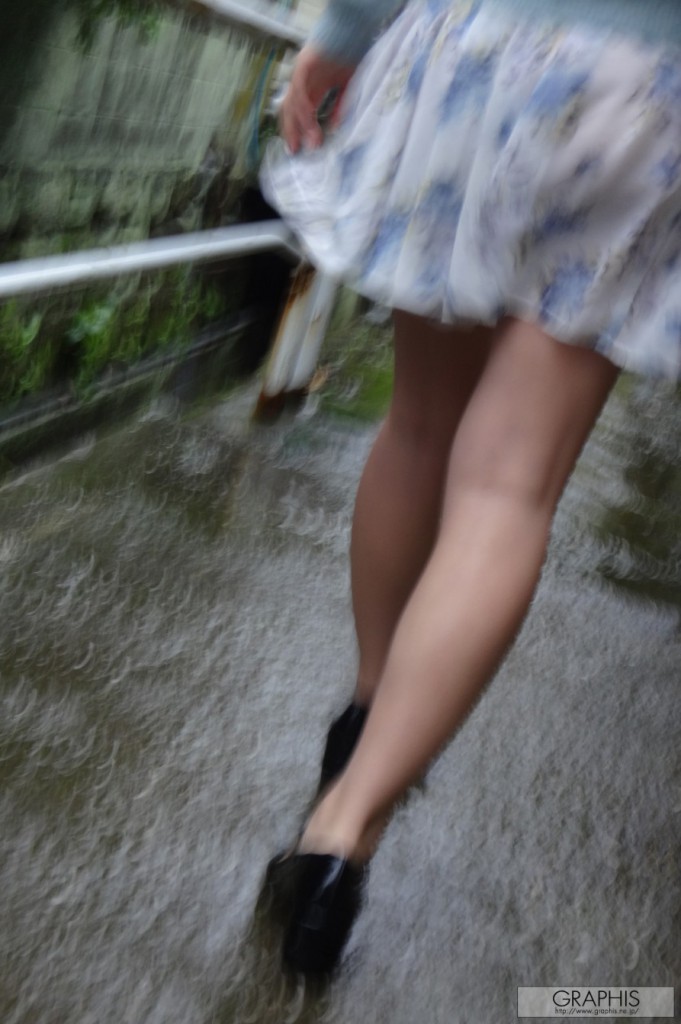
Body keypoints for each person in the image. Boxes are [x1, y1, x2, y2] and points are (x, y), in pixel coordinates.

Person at [259, 0, 681, 977]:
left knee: (418, 429)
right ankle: (343, 834)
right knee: (508, 488)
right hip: (651, 85)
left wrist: (344, 36)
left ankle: (368, 708)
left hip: (483, 47)